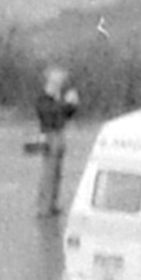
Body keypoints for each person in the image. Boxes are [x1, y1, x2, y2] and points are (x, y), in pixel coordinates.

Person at [29, 65, 83, 217]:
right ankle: (43, 207)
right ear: (51, 82)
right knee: (48, 172)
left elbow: (65, 115)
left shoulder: (55, 99)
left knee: (57, 173)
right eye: (57, 82)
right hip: (49, 135)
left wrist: (73, 105)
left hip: (59, 134)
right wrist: (66, 103)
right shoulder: (43, 99)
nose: (59, 85)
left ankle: (52, 204)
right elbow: (50, 114)